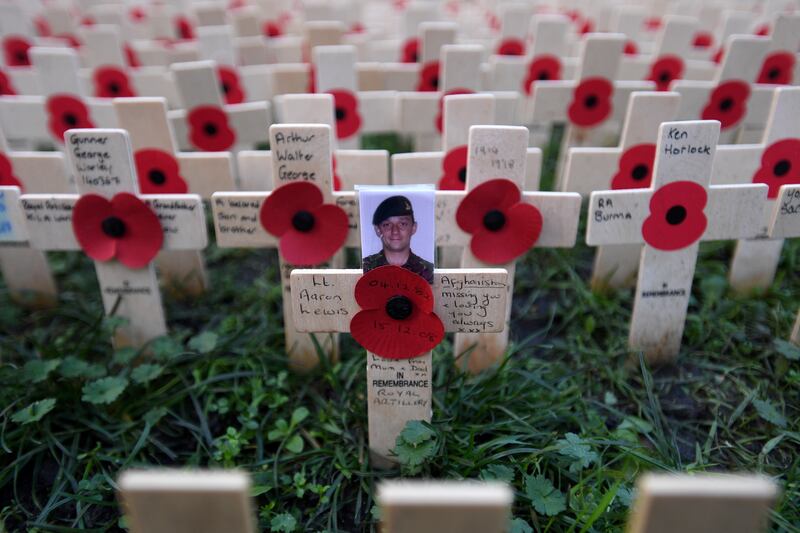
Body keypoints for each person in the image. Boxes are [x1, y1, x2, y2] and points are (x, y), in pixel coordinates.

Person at [362, 195, 434, 283]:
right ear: (378, 230)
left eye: (403, 224)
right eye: (387, 225)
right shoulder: (365, 268)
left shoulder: (428, 271)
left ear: (413, 228)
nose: (395, 231)